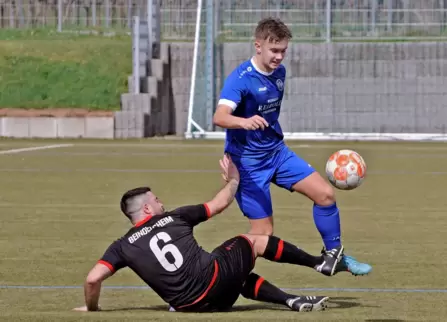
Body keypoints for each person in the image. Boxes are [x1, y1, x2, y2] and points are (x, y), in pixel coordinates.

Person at [73, 155, 334, 313]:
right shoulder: (173, 217)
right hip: (214, 284)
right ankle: (319, 262)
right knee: (252, 241)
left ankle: (291, 301)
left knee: (237, 271)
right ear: (146, 208)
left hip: (191, 307)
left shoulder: (122, 247)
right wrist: (233, 180)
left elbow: (93, 279)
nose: (161, 202)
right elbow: (218, 204)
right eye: (156, 199)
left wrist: (92, 309)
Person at [212, 17, 372, 276]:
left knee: (325, 195)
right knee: (263, 235)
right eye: (274, 50)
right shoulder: (240, 79)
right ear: (258, 46)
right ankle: (214, 273)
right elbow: (219, 117)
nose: (279, 57)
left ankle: (334, 256)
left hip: (276, 153)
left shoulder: (280, 73)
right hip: (247, 164)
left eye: (283, 51)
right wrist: (243, 121)